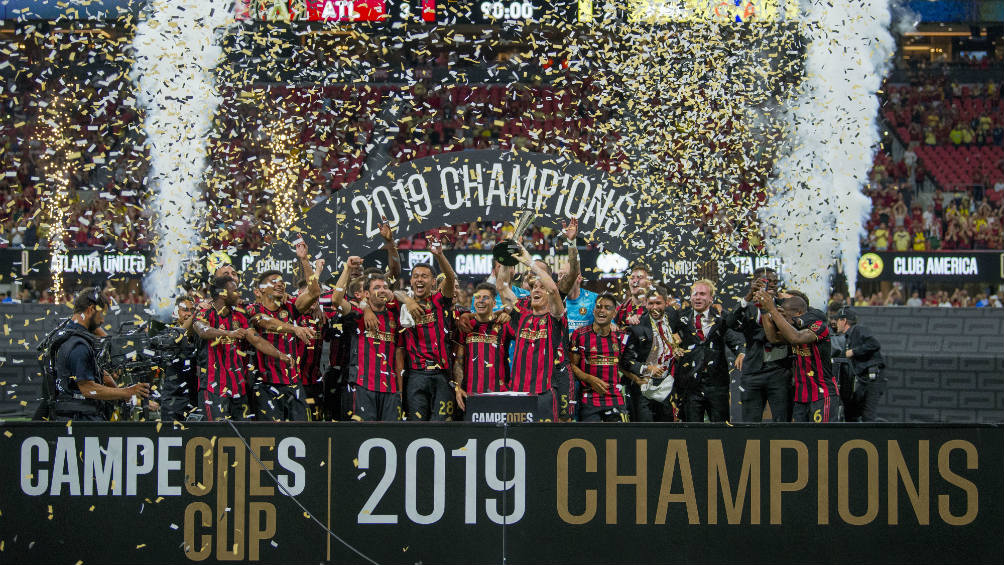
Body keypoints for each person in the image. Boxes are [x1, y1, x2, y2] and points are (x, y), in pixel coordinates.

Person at [193, 276, 295, 421]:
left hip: (239, 390)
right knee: (215, 436)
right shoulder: (205, 312)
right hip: (213, 389)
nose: (239, 294)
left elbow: (257, 340)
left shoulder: (239, 316)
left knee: (245, 436)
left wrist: (279, 355)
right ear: (222, 293)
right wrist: (228, 333)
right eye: (234, 291)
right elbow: (202, 330)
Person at [41, 287, 150, 421]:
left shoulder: (65, 333)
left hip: (69, 416)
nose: (102, 321)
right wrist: (127, 392)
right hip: (81, 421)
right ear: (91, 309)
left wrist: (121, 394)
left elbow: (99, 372)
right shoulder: (79, 346)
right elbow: (88, 388)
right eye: (101, 315)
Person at [245, 240, 322, 421]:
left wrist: (304, 260)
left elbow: (314, 293)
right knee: (270, 437)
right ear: (258, 291)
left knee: (303, 430)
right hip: (265, 383)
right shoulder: (251, 309)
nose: (280, 284)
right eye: (273, 282)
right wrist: (294, 328)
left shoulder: (290, 307)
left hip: (294, 382)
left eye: (281, 282)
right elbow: (265, 322)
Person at [500, 242, 572, 421]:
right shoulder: (520, 314)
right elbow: (501, 285)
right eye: (533, 288)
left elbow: (555, 289)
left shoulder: (555, 318)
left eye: (541, 287)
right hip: (517, 392)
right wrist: (504, 257)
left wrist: (530, 263)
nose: (536, 290)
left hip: (544, 392)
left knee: (543, 444)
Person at [329, 259, 406, 422]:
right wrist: (348, 269)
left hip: (391, 388)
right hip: (363, 386)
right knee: (363, 436)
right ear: (366, 294)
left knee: (390, 438)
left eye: (385, 287)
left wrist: (401, 389)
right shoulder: (357, 314)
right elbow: (336, 299)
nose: (382, 290)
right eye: (376, 288)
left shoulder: (395, 315)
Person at [755, 291, 843, 423]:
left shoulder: (819, 326)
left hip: (822, 394)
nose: (781, 318)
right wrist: (764, 310)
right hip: (801, 396)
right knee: (801, 437)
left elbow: (796, 338)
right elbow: (773, 338)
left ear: (799, 314)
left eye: (785, 314)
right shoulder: (792, 328)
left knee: (822, 438)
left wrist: (773, 310)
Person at [401, 231, 459, 421]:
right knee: (416, 426)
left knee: (442, 426)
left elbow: (450, 279)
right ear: (410, 281)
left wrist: (439, 255)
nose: (419, 280)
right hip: (416, 375)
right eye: (415, 276)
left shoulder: (440, 300)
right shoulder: (403, 306)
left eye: (424, 276)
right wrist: (407, 300)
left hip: (441, 374)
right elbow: (391, 291)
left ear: (433, 282)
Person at [668, 279, 745, 422]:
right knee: (691, 432)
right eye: (695, 294)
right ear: (690, 297)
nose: (698, 297)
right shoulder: (680, 318)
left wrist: (741, 351)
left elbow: (735, 339)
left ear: (711, 298)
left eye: (702, 294)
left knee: (720, 430)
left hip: (716, 384)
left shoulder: (721, 318)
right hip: (689, 385)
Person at [727, 268, 791, 422]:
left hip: (779, 371)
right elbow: (730, 323)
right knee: (750, 422)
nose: (773, 286)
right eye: (768, 282)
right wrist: (749, 296)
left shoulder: (785, 306)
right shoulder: (747, 307)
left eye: (775, 282)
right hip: (753, 372)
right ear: (755, 283)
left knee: (782, 422)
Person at [620, 286, 679, 422]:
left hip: (667, 387)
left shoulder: (673, 316)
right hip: (643, 387)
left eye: (658, 303)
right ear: (645, 303)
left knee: (666, 431)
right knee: (644, 432)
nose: (654, 307)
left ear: (666, 303)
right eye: (651, 303)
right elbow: (625, 361)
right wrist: (647, 368)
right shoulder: (637, 327)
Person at [452, 283, 513, 413]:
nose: (481, 300)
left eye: (485, 297)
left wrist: (506, 313)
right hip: (470, 395)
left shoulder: (504, 324)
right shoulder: (466, 326)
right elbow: (459, 361)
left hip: (499, 395)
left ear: (494, 302)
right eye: (478, 297)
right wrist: (458, 388)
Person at [570, 293, 628, 422]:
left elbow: (626, 365)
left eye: (607, 307)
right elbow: (571, 365)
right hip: (589, 400)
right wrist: (589, 378)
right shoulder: (579, 335)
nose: (602, 310)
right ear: (594, 310)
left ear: (614, 314)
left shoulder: (622, 337)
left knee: (621, 440)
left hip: (615, 400)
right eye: (599, 306)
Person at [836, 308, 885, 422]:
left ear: (844, 321)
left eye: (838, 320)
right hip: (863, 379)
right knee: (852, 412)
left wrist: (853, 352)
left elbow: (874, 344)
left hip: (872, 378)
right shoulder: (848, 337)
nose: (836, 323)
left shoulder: (858, 329)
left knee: (868, 415)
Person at [158, 295, 201, 422]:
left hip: (195, 400)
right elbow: (178, 335)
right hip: (172, 400)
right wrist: (196, 313)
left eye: (192, 310)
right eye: (185, 309)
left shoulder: (200, 334)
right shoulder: (165, 333)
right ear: (175, 312)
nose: (189, 313)